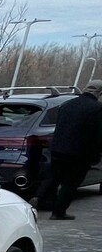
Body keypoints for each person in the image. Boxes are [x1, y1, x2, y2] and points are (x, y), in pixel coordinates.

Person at [33, 80, 102, 220]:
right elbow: (97, 134)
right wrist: (96, 153)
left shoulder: (67, 105)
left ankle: (36, 198)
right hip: (79, 153)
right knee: (70, 183)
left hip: (58, 149)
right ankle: (58, 212)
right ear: (99, 93)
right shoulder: (97, 108)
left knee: (52, 178)